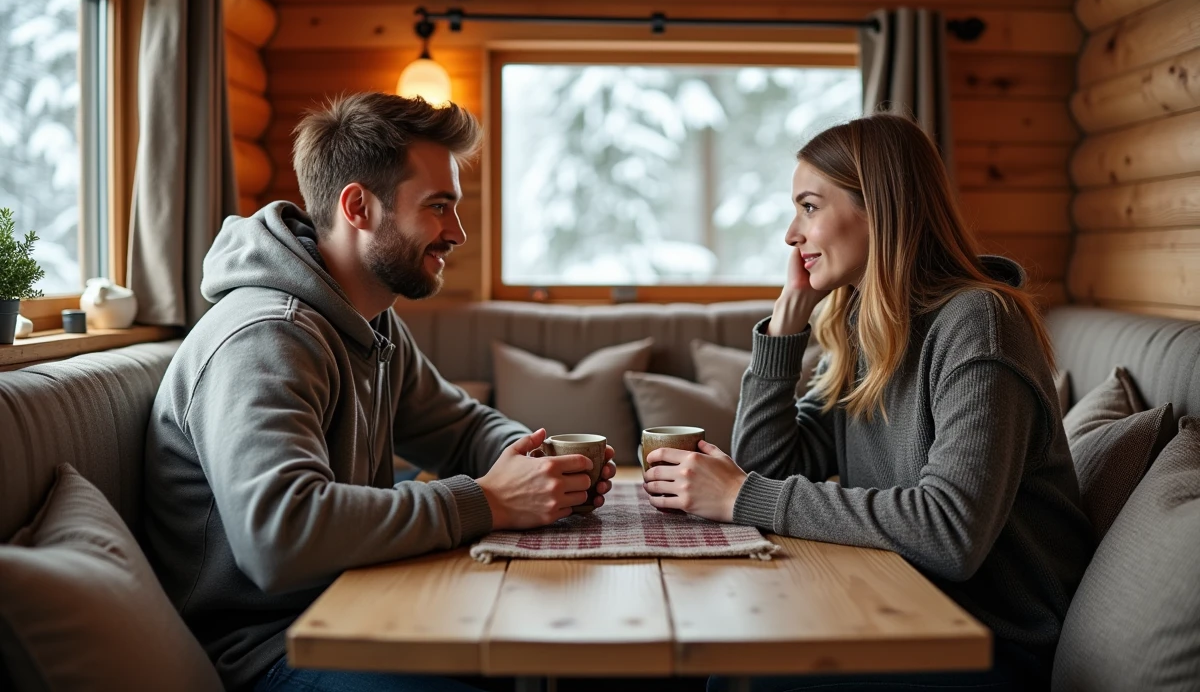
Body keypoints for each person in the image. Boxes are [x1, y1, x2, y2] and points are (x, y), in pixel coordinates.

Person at [142, 92, 616, 692]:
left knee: (553, 652)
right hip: (273, 650)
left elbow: (461, 428)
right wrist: (489, 501)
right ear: (358, 206)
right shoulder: (267, 337)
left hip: (356, 603)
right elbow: (279, 535)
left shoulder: (367, 319)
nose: (458, 233)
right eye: (439, 207)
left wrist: (535, 461)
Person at [641, 114, 1094, 691]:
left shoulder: (980, 324)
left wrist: (740, 496)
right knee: (724, 656)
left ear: (880, 209)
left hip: (988, 640)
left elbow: (949, 533)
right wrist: (784, 330)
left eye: (809, 207)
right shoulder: (869, 324)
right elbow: (770, 467)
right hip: (895, 604)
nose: (790, 234)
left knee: (743, 676)